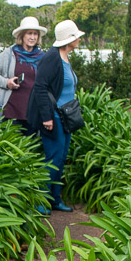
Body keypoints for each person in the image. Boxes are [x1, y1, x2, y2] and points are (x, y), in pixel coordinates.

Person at [27, 20, 85, 213]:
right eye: (76, 36)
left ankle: (55, 199)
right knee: (52, 158)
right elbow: (40, 88)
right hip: (54, 117)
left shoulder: (65, 56)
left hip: (66, 117)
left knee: (61, 158)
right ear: (69, 39)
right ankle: (41, 201)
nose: (79, 39)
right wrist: (47, 117)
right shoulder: (52, 58)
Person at [0, 16, 47, 134]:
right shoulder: (9, 54)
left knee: (31, 147)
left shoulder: (43, 57)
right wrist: (7, 82)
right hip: (11, 110)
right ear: (22, 35)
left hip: (33, 111)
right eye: (29, 33)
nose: (32, 37)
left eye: (35, 34)